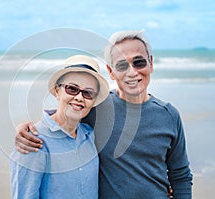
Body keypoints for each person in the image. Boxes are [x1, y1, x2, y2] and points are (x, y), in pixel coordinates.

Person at [14, 30, 193, 198]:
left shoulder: (169, 115)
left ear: (151, 63)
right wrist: (26, 129)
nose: (132, 72)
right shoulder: (96, 108)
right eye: (122, 65)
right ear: (111, 72)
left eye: (139, 62)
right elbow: (65, 115)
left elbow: (181, 175)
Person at [9, 55, 110, 199]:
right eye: (72, 89)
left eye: (88, 93)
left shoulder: (89, 134)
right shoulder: (32, 141)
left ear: (93, 100)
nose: (80, 98)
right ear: (57, 91)